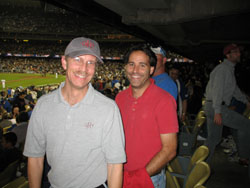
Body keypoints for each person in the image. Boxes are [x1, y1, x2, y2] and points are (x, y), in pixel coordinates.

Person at [23, 37, 126, 188]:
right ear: (64, 62)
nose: (84, 68)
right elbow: (35, 157)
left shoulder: (108, 108)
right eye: (77, 59)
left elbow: (115, 164)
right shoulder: (43, 105)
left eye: (91, 62)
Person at [115, 44, 178, 188]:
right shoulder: (120, 98)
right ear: (126, 67)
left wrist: (139, 177)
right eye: (131, 64)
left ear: (151, 70)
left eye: (142, 65)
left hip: (149, 179)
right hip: (120, 175)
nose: (135, 70)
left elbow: (170, 149)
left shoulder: (164, 100)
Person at [204, 43, 250, 165]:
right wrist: (218, 112)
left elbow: (234, 90)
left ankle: (201, 164)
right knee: (246, 125)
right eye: (235, 52)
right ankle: (244, 157)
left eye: (239, 52)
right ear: (228, 55)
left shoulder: (228, 69)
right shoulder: (223, 70)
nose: (239, 54)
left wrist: (246, 101)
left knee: (213, 139)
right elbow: (217, 91)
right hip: (216, 107)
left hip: (211, 106)